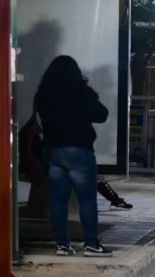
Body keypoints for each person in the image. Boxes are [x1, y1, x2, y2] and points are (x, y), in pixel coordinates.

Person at [34, 55, 113, 257]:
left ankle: (62, 244)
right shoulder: (80, 92)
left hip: (54, 151)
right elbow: (101, 114)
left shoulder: (44, 94)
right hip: (79, 150)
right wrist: (85, 88)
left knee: (58, 199)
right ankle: (91, 244)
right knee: (87, 199)